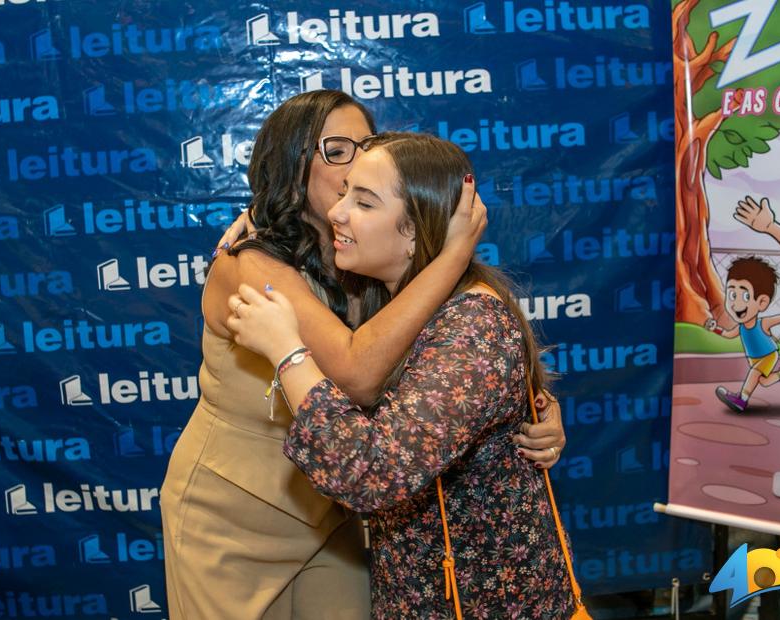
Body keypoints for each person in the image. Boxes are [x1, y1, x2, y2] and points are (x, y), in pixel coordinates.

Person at [160, 91, 567, 619]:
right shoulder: (254, 260)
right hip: (235, 518)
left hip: (334, 507)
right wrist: (451, 255)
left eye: (363, 147)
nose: (352, 161)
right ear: (291, 164)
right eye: (334, 150)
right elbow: (357, 373)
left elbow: (445, 371)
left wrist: (531, 411)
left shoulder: (367, 270)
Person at [705, 256, 780, 411]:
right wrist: (714, 328)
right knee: (764, 381)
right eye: (732, 295)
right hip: (753, 358)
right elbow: (727, 334)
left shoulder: (763, 323)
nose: (736, 304)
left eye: (745, 296)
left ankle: (742, 400)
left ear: (762, 302)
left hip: (769, 354)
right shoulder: (740, 328)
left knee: (754, 374)